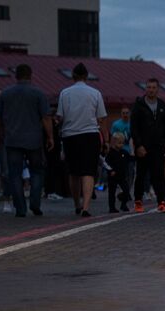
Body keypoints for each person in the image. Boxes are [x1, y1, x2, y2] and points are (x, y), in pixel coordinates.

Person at [0, 64, 53, 217]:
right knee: (37, 171)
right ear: (30, 75)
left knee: (14, 174)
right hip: (34, 139)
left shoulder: (5, 94)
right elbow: (46, 118)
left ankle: (20, 208)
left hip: (12, 139)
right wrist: (50, 137)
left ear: (16, 75)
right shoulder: (38, 93)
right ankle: (35, 203)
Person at [56, 63, 107, 218]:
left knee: (74, 173)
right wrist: (105, 139)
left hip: (70, 135)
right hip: (90, 135)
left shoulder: (64, 93)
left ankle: (76, 204)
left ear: (73, 76)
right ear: (87, 76)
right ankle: (86, 206)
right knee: (88, 172)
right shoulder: (95, 93)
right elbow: (102, 118)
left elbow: (60, 116)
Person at [130, 78, 165, 213]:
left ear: (157, 89)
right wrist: (138, 145)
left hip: (158, 146)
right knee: (141, 175)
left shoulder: (162, 105)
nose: (151, 90)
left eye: (153, 87)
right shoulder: (138, 105)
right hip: (143, 146)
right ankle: (138, 201)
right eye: (148, 87)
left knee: (159, 175)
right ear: (145, 89)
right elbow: (134, 127)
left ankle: (162, 202)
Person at [104, 132, 131, 212]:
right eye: (119, 143)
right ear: (114, 142)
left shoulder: (124, 153)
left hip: (122, 176)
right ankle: (112, 207)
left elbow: (130, 159)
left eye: (123, 143)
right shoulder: (110, 153)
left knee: (126, 191)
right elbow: (106, 163)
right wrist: (110, 170)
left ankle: (123, 204)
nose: (121, 144)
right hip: (113, 176)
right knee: (111, 192)